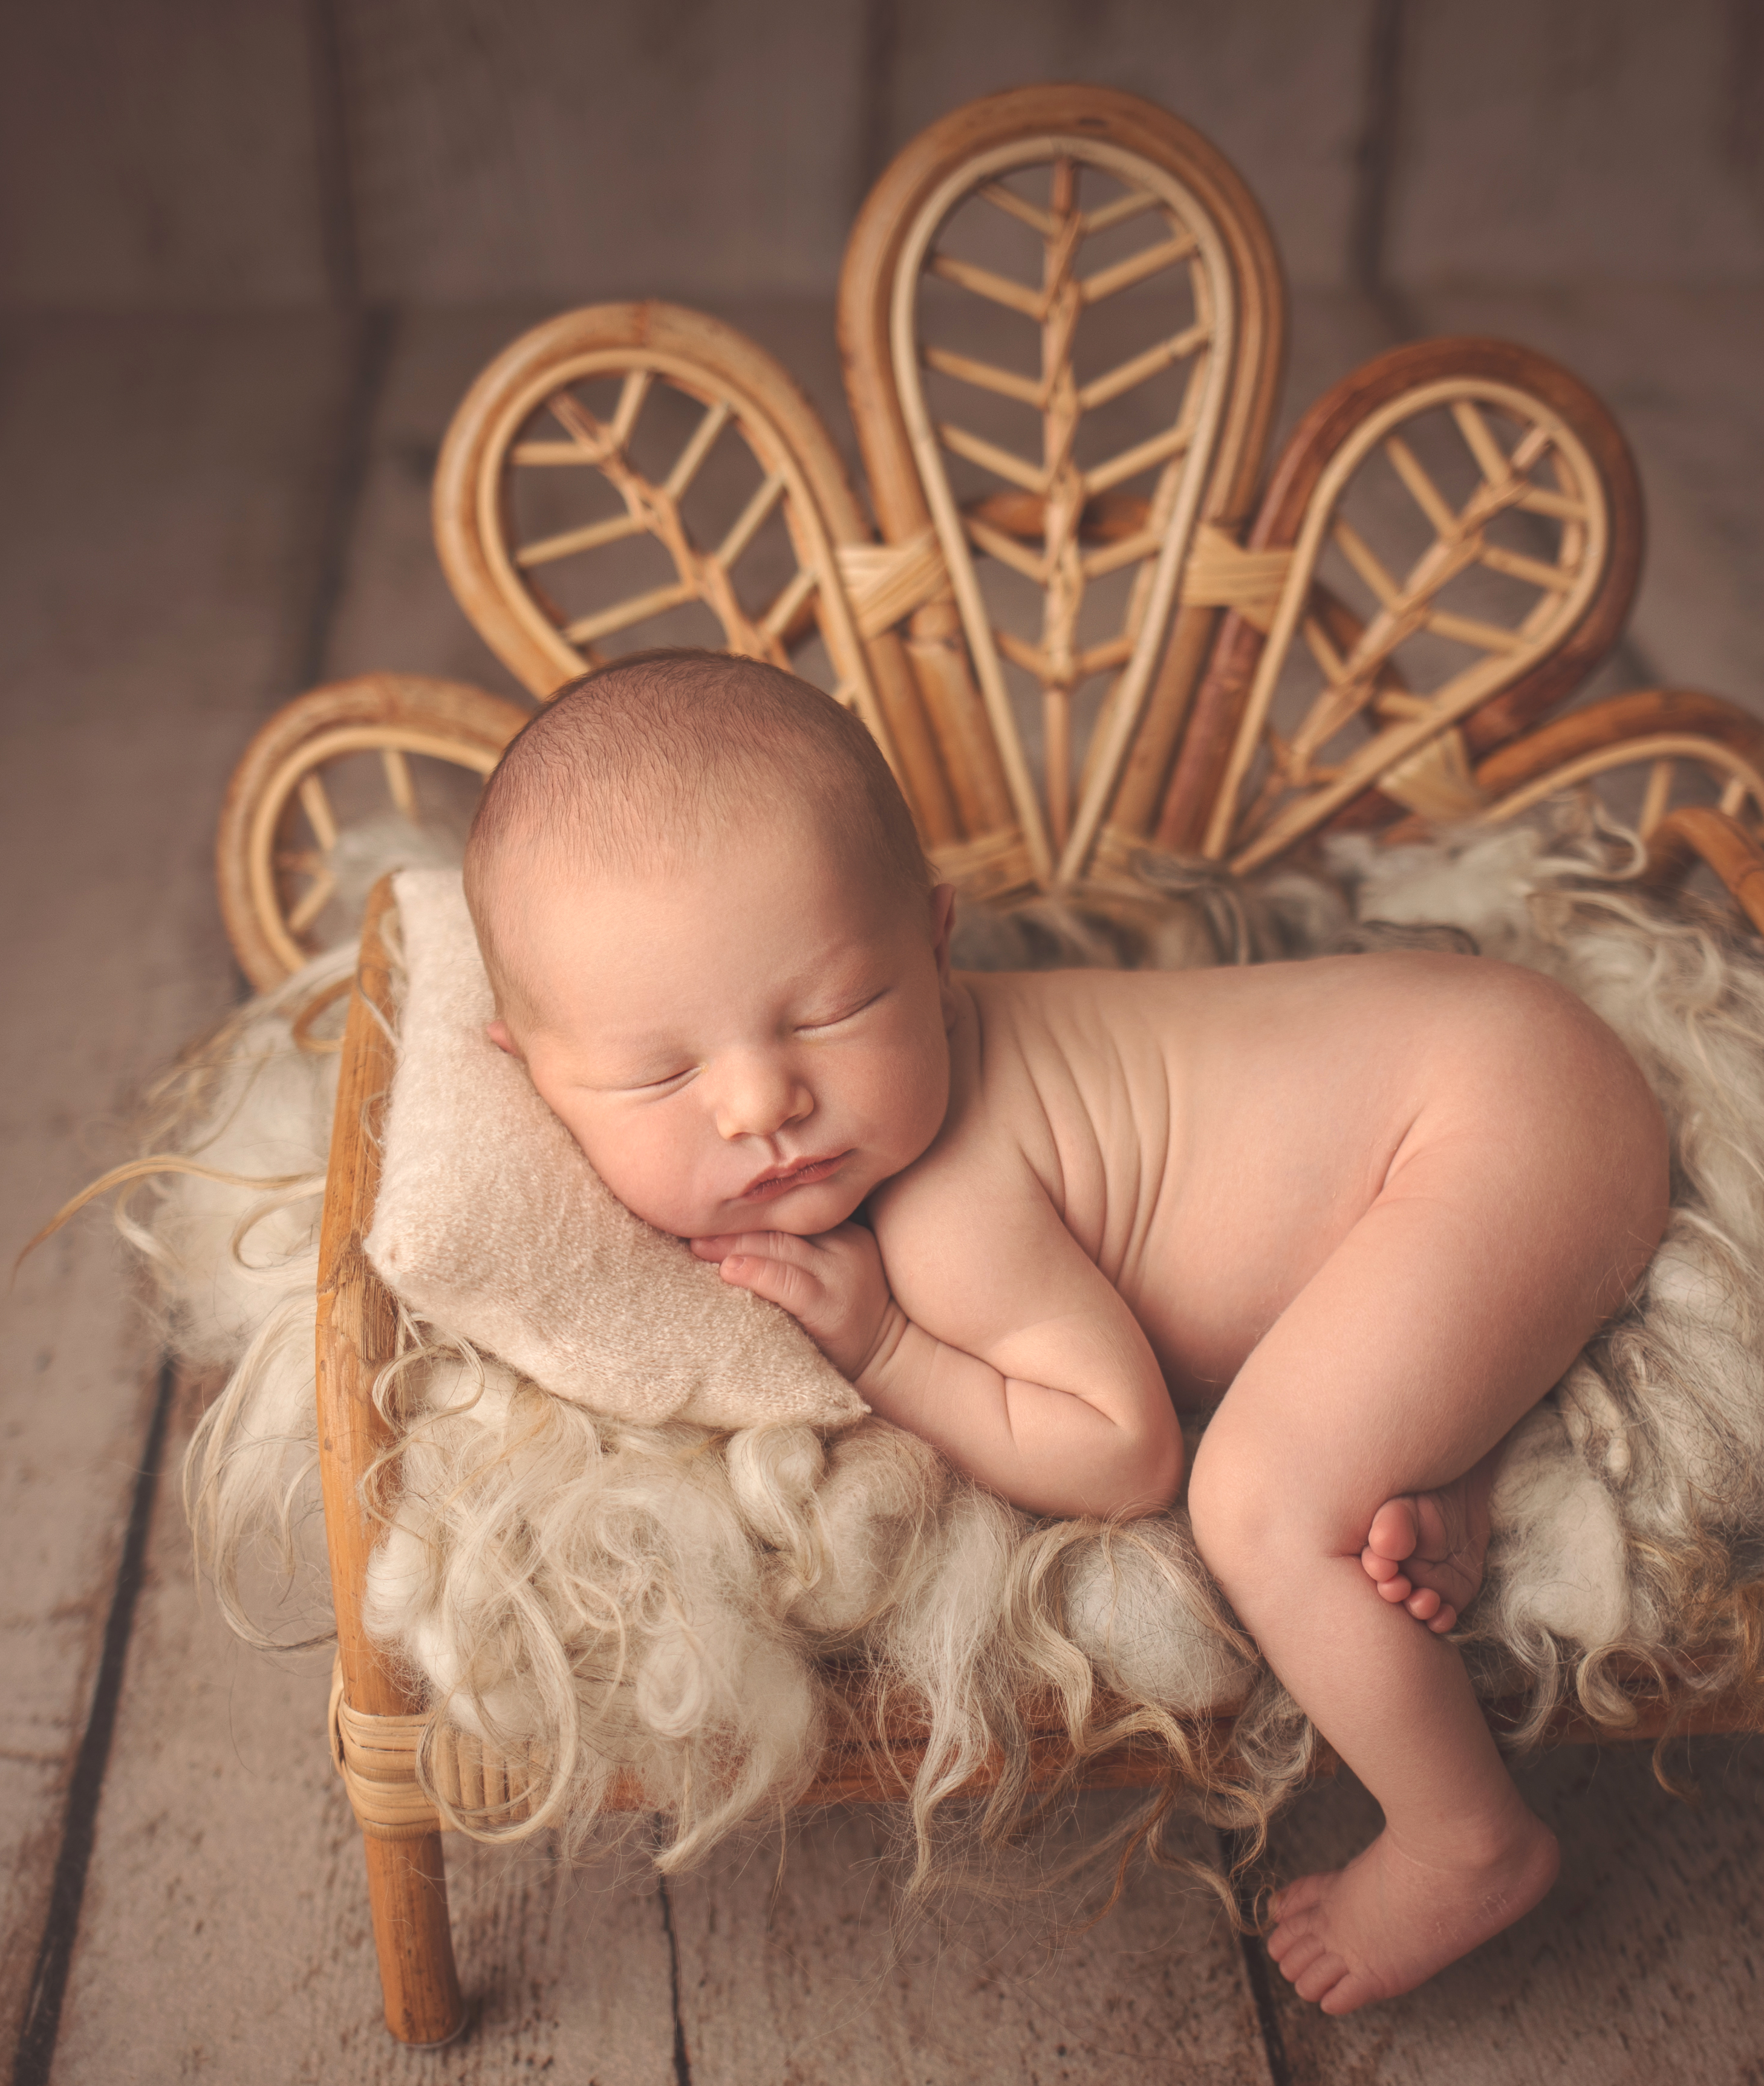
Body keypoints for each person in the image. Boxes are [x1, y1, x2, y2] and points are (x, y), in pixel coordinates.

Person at [464, 649, 1668, 2015]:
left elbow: (1123, 1453)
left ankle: (1467, 1838)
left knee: (1264, 1498)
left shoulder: (945, 1211)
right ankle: (1447, 1454)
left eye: (832, 1010)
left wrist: (887, 1354)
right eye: (657, 1074)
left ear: (934, 942)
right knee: (1349, 1417)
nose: (759, 1102)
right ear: (522, 1067)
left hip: (1493, 1126)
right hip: (1486, 1078)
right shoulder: (860, 1098)